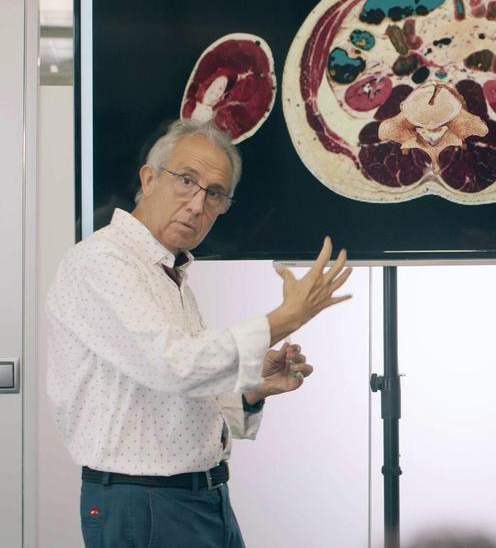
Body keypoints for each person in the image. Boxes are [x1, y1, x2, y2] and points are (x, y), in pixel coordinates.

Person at [46, 118, 352, 548]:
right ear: (149, 179)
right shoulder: (102, 262)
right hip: (146, 502)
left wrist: (251, 388)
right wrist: (284, 318)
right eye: (186, 180)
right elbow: (172, 366)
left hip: (199, 496)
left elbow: (176, 392)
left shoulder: (168, 271)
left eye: (214, 194)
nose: (196, 204)